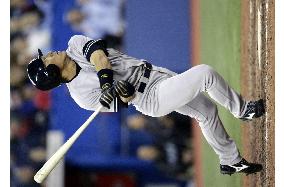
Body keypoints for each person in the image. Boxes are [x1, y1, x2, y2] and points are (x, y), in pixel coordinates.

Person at [26, 35, 265, 175]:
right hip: (150, 97)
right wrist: (120, 91)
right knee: (205, 74)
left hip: (157, 74)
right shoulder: (81, 97)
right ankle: (242, 110)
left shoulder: (74, 44)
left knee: (206, 111)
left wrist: (107, 83)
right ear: (51, 71)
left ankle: (230, 161)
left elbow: (99, 57)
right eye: (46, 59)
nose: (48, 54)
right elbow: (127, 99)